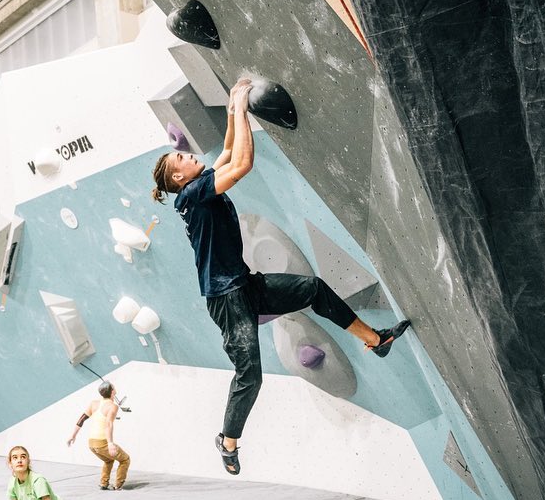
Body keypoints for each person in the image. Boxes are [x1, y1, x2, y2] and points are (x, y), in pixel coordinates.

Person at [150, 78, 412, 475]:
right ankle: (228, 440)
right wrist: (238, 108)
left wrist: (236, 105)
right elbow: (242, 164)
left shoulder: (198, 186)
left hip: (245, 285)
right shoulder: (192, 197)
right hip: (226, 297)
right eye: (180, 162)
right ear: (179, 180)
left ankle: (375, 341)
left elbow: (225, 152)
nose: (186, 156)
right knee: (249, 374)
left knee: (312, 289)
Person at [67, 381, 131, 490]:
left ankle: (103, 483)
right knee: (125, 459)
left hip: (92, 443)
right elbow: (108, 424)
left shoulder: (93, 403)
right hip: (102, 443)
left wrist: (73, 435)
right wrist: (110, 443)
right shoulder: (113, 406)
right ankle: (118, 485)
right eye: (114, 387)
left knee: (108, 460)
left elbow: (81, 419)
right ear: (112, 391)